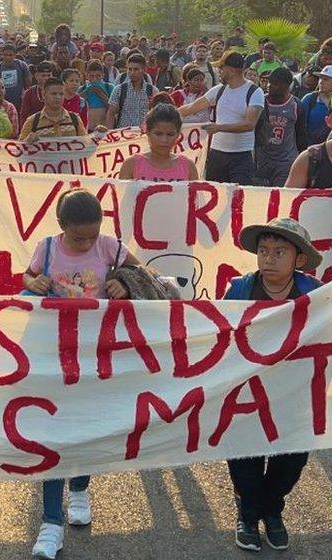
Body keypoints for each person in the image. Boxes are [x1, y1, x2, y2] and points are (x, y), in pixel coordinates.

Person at [24, 189, 137, 560]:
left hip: (99, 357)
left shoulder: (110, 247)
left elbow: (142, 273)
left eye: (93, 235)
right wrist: (32, 283)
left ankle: (80, 489)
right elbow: (28, 276)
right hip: (55, 359)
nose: (88, 242)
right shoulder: (47, 249)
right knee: (55, 436)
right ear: (61, 227)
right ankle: (51, 523)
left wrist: (126, 283)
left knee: (86, 430)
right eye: (79, 237)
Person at [223, 217, 322, 552]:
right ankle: (249, 515)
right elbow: (220, 334)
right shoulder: (239, 289)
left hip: (296, 394)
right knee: (245, 455)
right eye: (263, 251)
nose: (269, 258)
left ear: (300, 260)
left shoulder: (315, 293)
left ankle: (272, 507)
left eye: (280, 252)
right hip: (247, 392)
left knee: (291, 461)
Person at [177, 51, 264, 184]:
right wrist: (159, 115)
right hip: (217, 154)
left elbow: (249, 124)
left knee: (238, 198)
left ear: (232, 70)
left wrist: (219, 128)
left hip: (241, 156)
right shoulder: (218, 90)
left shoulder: (254, 92)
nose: (219, 71)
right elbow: (190, 108)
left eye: (221, 68)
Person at [255, 67, 307, 187]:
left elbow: (301, 135)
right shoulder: (260, 102)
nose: (269, 85)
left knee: (280, 197)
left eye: (274, 83)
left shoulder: (296, 105)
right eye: (269, 82)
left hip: (285, 162)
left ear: (286, 85)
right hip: (262, 161)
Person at [118, 104, 198, 181]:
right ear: (148, 132)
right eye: (158, 134)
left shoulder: (188, 167)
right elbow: (120, 194)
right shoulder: (131, 165)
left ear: (178, 135)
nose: (164, 140)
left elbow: (195, 194)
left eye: (170, 134)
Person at [20, 78, 87, 141]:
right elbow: (18, 149)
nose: (58, 97)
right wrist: (27, 141)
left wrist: (96, 134)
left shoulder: (75, 119)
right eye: (53, 94)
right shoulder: (32, 121)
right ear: (44, 94)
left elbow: (87, 145)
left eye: (61, 94)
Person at [108, 54, 154, 129]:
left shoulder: (152, 91)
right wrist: (109, 134)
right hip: (123, 135)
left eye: (136, 69)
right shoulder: (119, 90)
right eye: (130, 69)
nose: (132, 73)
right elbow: (111, 114)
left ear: (143, 70)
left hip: (144, 136)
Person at [299, 65, 332, 145]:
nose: (321, 82)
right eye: (320, 78)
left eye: (325, 79)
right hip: (310, 150)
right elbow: (298, 125)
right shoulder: (310, 99)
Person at [78, 60, 114, 129]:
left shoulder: (109, 87)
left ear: (103, 75)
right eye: (91, 76)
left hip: (104, 128)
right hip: (87, 129)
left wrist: (100, 93)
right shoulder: (81, 89)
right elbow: (77, 106)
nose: (94, 79)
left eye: (98, 76)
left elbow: (112, 109)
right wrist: (88, 91)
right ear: (86, 75)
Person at [21, 61, 57, 126]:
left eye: (49, 75)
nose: (46, 78)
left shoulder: (58, 92)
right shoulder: (29, 93)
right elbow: (24, 115)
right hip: (35, 127)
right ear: (36, 76)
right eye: (43, 75)